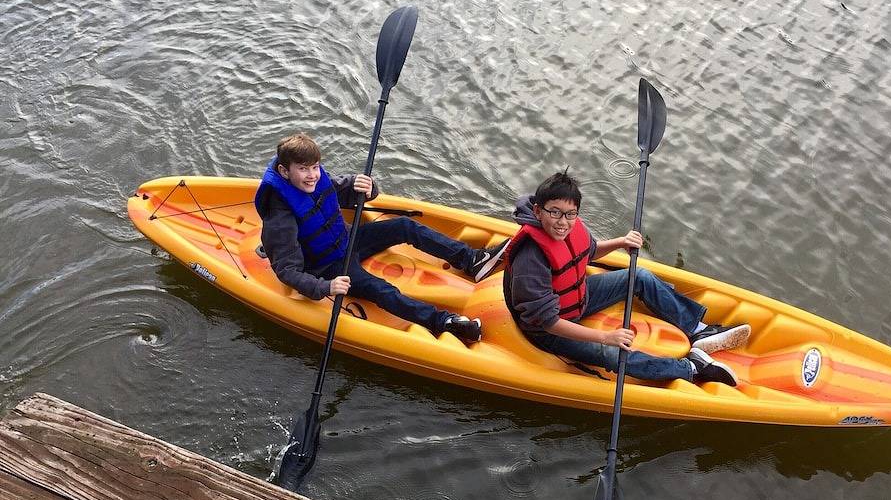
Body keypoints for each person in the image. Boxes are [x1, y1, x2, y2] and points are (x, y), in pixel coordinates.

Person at [502, 169, 751, 385]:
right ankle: (692, 368)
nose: (562, 222)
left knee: (638, 276)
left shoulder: (571, 227)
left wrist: (621, 242)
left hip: (579, 299)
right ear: (538, 211)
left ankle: (698, 329)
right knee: (613, 353)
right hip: (549, 330)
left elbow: (588, 253)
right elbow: (548, 322)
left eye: (570, 214)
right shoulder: (530, 259)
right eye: (555, 212)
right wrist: (605, 337)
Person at [254, 133, 507, 343]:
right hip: (328, 266)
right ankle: (445, 322)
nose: (312, 175)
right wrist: (326, 287)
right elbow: (287, 271)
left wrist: (365, 187)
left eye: (315, 167)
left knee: (404, 226)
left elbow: (343, 189)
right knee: (380, 289)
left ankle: (471, 260)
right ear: (284, 171)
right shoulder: (279, 218)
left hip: (348, 238)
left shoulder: (314, 179)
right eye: (303, 169)